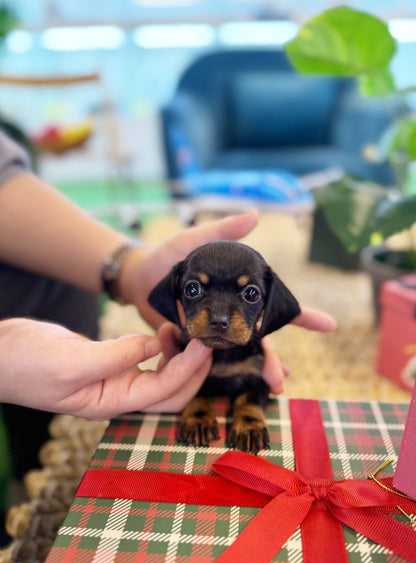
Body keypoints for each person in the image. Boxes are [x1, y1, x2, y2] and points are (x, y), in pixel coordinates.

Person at [0, 130, 336, 475]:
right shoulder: (178, 341)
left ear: (270, 305)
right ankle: (24, 470)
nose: (220, 317)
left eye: (249, 294)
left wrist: (132, 271)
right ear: (172, 294)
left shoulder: (250, 354)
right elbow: (181, 378)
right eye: (194, 291)